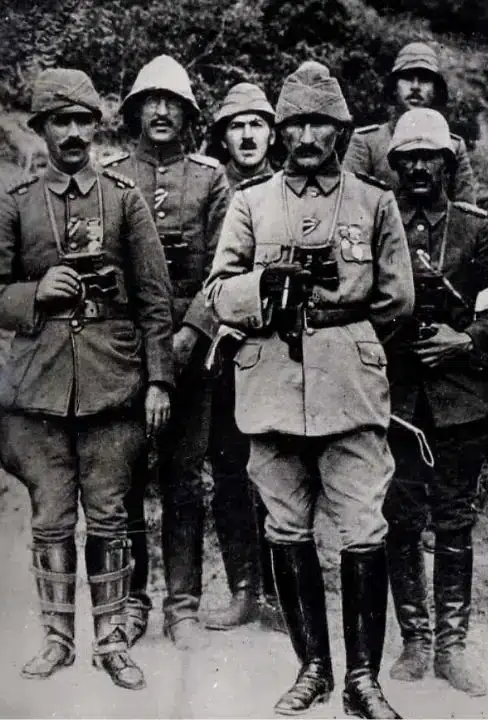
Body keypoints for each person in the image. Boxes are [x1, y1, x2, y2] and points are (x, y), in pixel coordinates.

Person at [204, 60, 413, 719]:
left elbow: (397, 300)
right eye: (293, 123)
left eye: (320, 122)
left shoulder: (373, 202)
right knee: (286, 527)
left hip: (349, 388)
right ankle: (313, 668)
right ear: (279, 131)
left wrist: (343, 338)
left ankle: (363, 680)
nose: (306, 135)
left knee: (363, 526)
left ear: (342, 129)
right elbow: (218, 292)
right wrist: (264, 287)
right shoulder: (251, 202)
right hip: (269, 384)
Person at [0, 67, 175, 691]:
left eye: (82, 121)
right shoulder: (17, 204)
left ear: (97, 126)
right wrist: (35, 292)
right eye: (59, 121)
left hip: (113, 384)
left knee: (111, 514)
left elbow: (155, 300)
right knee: (51, 517)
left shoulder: (124, 199)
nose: (71, 133)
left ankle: (112, 639)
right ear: (41, 129)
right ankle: (58, 639)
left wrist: (159, 381)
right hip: (38, 389)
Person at [380, 108, 488, 697]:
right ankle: (414, 640)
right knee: (400, 519)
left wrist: (466, 340)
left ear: (448, 163)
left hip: (460, 400)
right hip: (396, 399)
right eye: (408, 158)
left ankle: (452, 648)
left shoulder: (474, 229)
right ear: (395, 165)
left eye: (429, 157)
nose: (418, 168)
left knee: (455, 520)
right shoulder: (380, 222)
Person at [103, 54, 231, 650]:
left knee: (183, 478)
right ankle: (132, 601)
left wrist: (192, 332)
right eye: (150, 102)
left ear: (188, 114)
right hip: (124, 348)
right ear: (134, 112)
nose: (161, 111)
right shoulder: (111, 176)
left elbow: (227, 267)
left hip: (191, 351)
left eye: (172, 103)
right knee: (126, 476)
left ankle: (183, 607)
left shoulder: (210, 179)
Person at [198, 81, 287, 633]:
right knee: (229, 468)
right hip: (218, 353)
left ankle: (280, 593)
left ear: (273, 134)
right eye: (237, 125)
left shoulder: (288, 190)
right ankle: (244, 589)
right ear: (222, 137)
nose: (248, 135)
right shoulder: (208, 190)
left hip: (275, 350)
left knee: (277, 470)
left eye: (258, 124)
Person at [344, 42, 475, 202]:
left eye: (424, 80)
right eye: (407, 78)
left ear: (436, 90)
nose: (415, 87)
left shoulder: (453, 146)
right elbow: (349, 204)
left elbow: (465, 210)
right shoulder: (367, 142)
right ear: (394, 87)